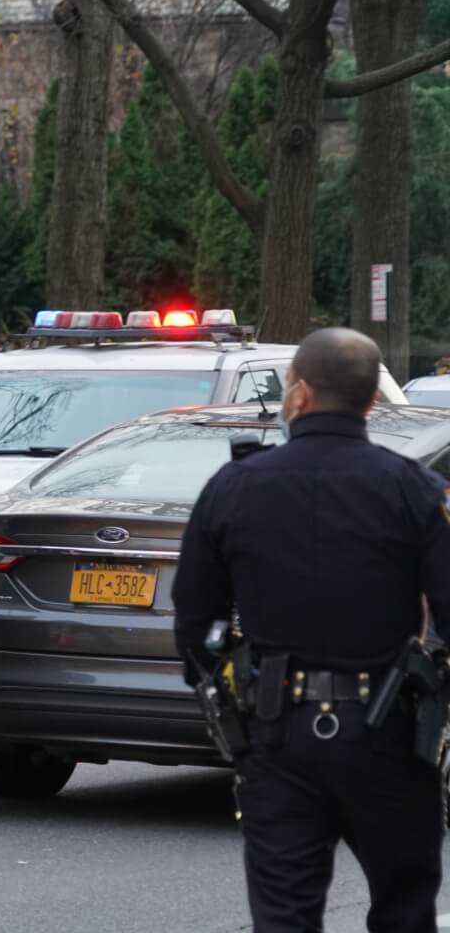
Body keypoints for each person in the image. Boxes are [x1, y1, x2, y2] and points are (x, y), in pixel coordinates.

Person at [174, 328, 450, 931]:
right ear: (372, 400)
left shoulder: (234, 487)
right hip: (388, 732)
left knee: (285, 915)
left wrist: (229, 700)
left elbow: (194, 621)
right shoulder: (414, 488)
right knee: (405, 909)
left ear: (297, 393)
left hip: (277, 733)